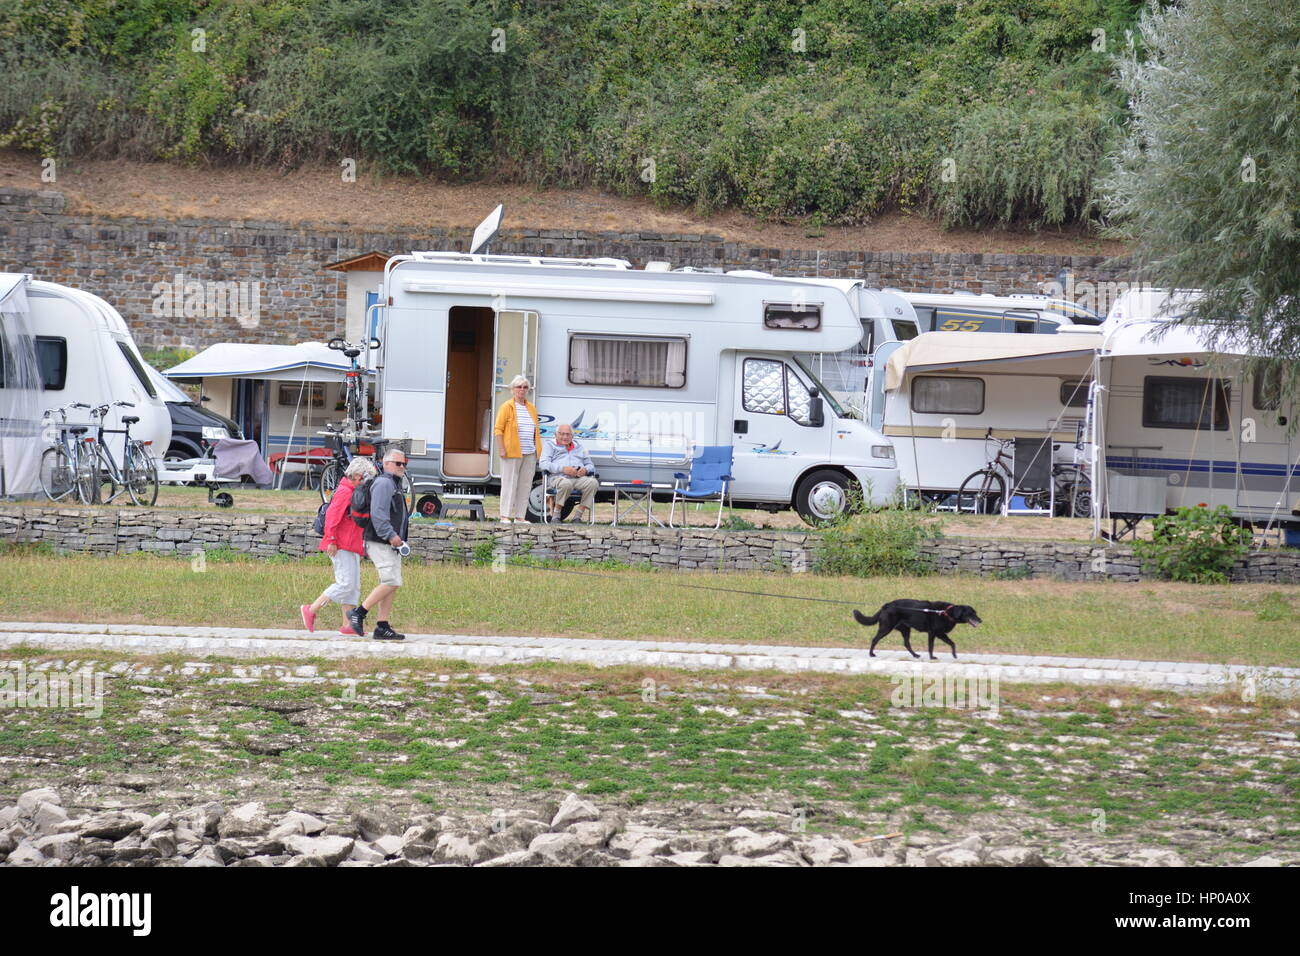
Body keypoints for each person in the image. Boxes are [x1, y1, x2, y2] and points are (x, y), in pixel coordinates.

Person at [301, 457, 376, 634]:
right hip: (340, 544)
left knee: (353, 586)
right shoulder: (345, 492)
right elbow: (332, 518)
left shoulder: (351, 490)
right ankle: (310, 610)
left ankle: (348, 625)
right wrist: (332, 540)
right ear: (357, 475)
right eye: (366, 478)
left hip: (350, 544)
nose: (367, 482)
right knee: (345, 584)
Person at [347, 449, 410, 641]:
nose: (402, 467)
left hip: (390, 542)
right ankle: (359, 612)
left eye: (404, 464)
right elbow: (378, 514)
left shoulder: (393, 483)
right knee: (391, 581)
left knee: (392, 583)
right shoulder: (384, 483)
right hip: (380, 541)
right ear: (386, 463)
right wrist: (390, 536)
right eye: (398, 464)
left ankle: (382, 625)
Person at [493, 375, 540, 524]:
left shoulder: (531, 407)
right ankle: (505, 515)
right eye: (519, 387)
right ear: (512, 389)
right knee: (509, 483)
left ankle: (520, 516)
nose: (522, 389)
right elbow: (498, 430)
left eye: (525, 387)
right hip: (511, 452)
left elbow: (535, 430)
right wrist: (502, 449)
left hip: (530, 452)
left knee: (525, 485)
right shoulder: (507, 406)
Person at [541, 423, 598, 522]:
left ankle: (578, 516)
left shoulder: (580, 447)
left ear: (572, 436)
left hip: (577, 478)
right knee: (565, 483)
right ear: (556, 434)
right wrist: (563, 469)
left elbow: (591, 465)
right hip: (558, 478)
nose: (565, 437)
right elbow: (543, 464)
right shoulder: (549, 445)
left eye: (568, 434)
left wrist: (585, 470)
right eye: (561, 434)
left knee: (593, 483)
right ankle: (556, 514)